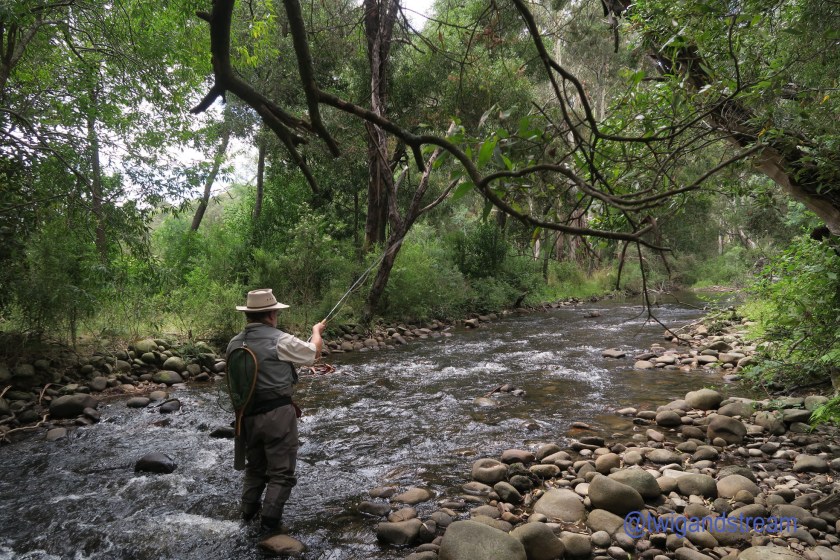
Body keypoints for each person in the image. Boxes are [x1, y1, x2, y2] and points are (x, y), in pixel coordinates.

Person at [226, 288, 326, 534]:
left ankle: (247, 515)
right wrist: (316, 332)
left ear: (249, 315)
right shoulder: (280, 339)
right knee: (281, 472)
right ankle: (270, 524)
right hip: (277, 416)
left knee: (255, 468)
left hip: (246, 417)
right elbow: (313, 353)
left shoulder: (233, 343)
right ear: (271, 314)